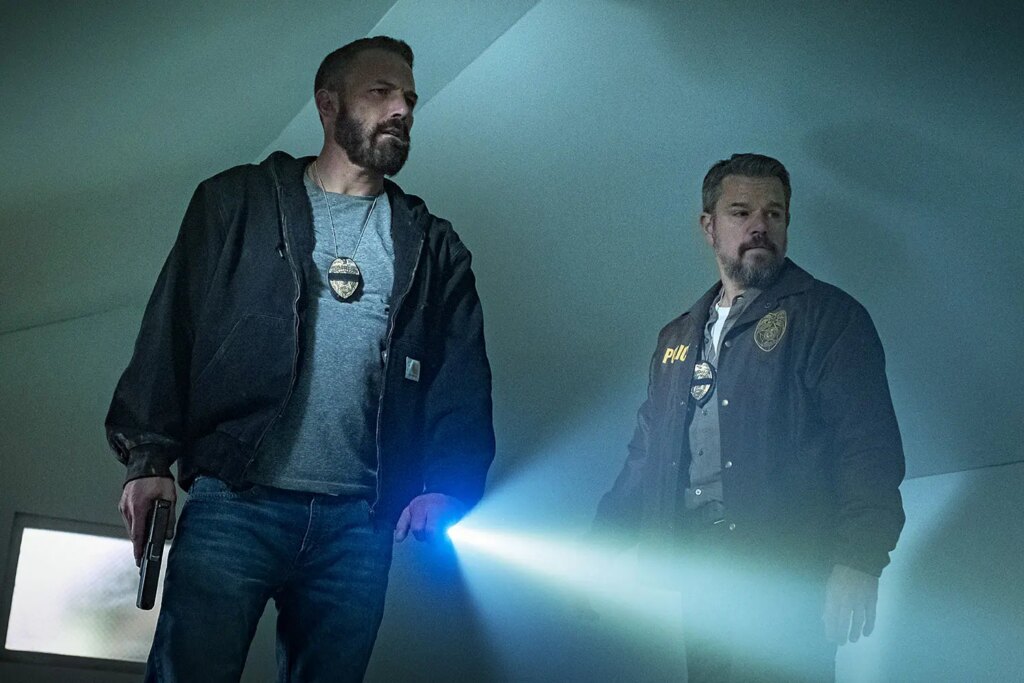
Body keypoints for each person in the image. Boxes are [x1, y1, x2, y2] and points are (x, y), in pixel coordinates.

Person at [106, 36, 495, 682]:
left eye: (409, 98)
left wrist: (446, 482)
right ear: (327, 104)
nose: (402, 109)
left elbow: (461, 374)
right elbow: (170, 329)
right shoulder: (236, 203)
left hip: (357, 525)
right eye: (381, 92)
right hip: (235, 503)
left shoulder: (432, 245)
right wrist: (147, 459)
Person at [592, 153, 905, 682]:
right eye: (741, 212)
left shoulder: (829, 317)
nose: (760, 226)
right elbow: (647, 454)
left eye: (774, 213)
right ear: (709, 227)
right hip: (698, 571)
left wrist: (859, 560)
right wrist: (601, 546)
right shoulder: (677, 337)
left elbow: (867, 446)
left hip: (789, 572)